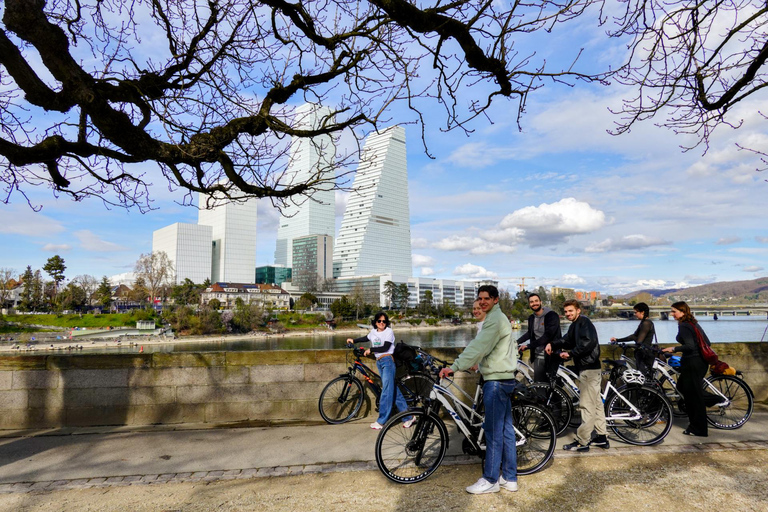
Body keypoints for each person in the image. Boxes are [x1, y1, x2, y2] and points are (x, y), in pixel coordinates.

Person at [439, 285, 518, 494]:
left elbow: (478, 346)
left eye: (486, 298)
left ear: (495, 299)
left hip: (496, 381)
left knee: (492, 432)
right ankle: (510, 478)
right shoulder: (499, 318)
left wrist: (454, 366)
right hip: (505, 378)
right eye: (480, 298)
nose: (482, 302)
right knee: (506, 430)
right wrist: (479, 364)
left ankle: (491, 479)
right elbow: (491, 349)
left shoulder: (494, 320)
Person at [548, 299, 609, 452]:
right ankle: (602, 438)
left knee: (586, 405)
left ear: (578, 310)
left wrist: (570, 354)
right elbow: (567, 340)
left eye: (571, 311)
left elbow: (588, 343)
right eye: (566, 311)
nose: (568, 314)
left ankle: (583, 441)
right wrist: (554, 344)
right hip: (590, 368)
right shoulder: (576, 324)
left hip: (589, 369)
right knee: (596, 404)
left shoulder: (584, 323)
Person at [347, 312, 413, 430]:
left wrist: (370, 349)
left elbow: (386, 347)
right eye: (379, 321)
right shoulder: (373, 332)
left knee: (386, 391)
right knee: (393, 390)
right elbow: (365, 338)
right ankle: (409, 417)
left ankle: (382, 420)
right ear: (375, 322)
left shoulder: (389, 332)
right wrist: (354, 340)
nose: (382, 323)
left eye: (384, 321)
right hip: (379, 362)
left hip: (388, 360)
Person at [662, 301, 709, 437]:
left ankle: (698, 428)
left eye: (674, 311)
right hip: (699, 362)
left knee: (694, 397)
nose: (672, 314)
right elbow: (707, 342)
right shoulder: (693, 324)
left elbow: (689, 346)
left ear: (682, 312)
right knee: (682, 388)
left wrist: (673, 348)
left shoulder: (684, 326)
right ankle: (712, 401)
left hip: (693, 362)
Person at [517, 293, 561, 382]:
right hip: (536, 355)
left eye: (536, 301)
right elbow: (530, 333)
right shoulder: (531, 318)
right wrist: (516, 342)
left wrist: (528, 346)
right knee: (536, 383)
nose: (534, 303)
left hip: (550, 355)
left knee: (550, 383)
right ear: (529, 304)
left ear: (541, 302)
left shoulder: (552, 315)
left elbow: (548, 336)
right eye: (531, 302)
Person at [610, 302, 656, 377]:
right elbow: (633, 336)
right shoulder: (643, 322)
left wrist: (628, 344)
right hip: (642, 353)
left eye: (636, 312)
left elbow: (639, 341)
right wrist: (617, 340)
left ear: (642, 312)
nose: (634, 314)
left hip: (644, 355)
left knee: (643, 377)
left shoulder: (646, 323)